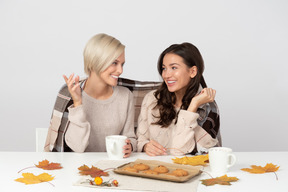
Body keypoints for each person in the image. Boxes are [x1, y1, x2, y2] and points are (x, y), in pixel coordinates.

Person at [44, 33, 137, 157]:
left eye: (122, 64)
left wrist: (130, 146)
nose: (120, 70)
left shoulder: (125, 96)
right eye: (114, 63)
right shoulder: (70, 93)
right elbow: (77, 147)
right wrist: (77, 103)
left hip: (113, 167)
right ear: (96, 61)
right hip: (79, 169)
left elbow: (130, 137)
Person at [136, 42, 221, 156]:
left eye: (174, 67)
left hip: (189, 171)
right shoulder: (151, 99)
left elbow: (179, 151)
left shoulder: (207, 108)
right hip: (154, 169)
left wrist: (193, 106)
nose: (166, 75)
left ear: (192, 71)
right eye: (164, 68)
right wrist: (145, 146)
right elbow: (140, 140)